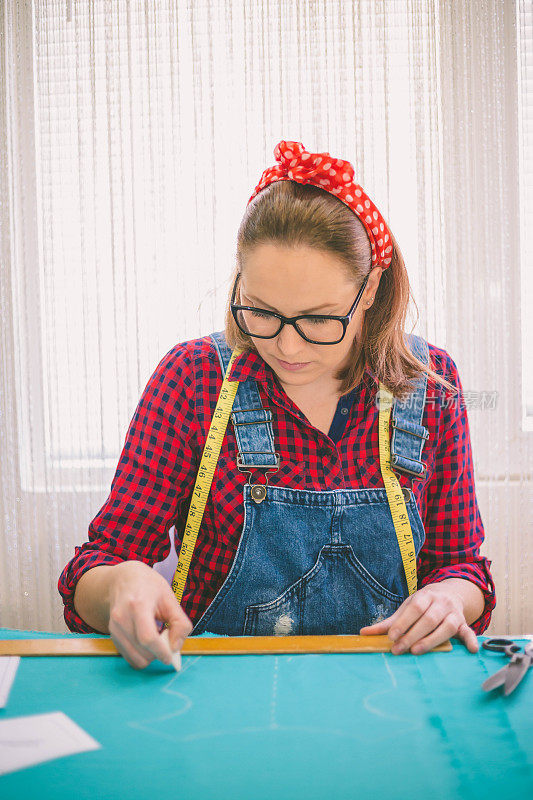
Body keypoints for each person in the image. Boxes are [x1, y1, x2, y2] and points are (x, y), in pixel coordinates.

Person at [58, 141, 496, 670]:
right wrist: (120, 584)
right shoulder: (194, 380)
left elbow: (464, 568)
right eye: (261, 312)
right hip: (221, 697)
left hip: (387, 695)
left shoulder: (430, 386)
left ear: (372, 288)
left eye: (319, 320)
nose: (287, 348)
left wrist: (450, 598)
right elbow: (94, 566)